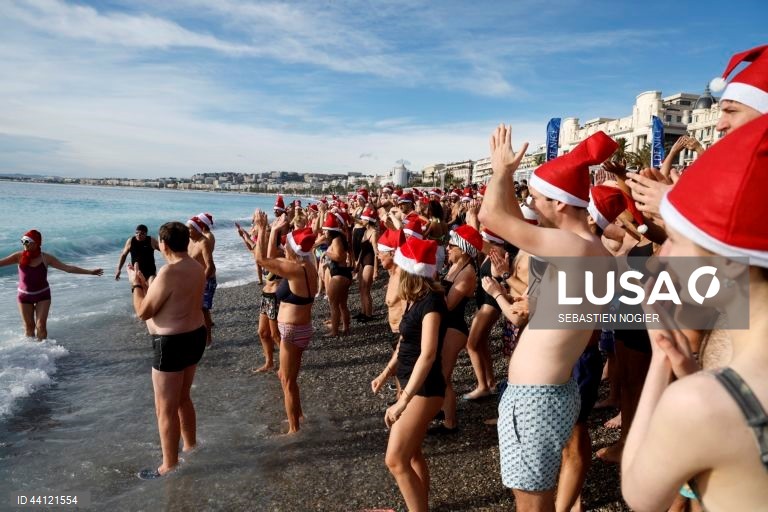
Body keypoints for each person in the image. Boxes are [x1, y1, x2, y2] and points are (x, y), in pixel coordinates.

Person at [622, 112, 768, 512]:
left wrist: (659, 359)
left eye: (674, 240)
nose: (660, 258)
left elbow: (639, 493)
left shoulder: (703, 403)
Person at [479, 125, 616, 511]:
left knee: (531, 504)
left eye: (535, 197)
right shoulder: (595, 250)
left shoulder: (571, 247)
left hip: (535, 396)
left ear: (559, 204)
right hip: (552, 391)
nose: (530, 203)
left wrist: (501, 171)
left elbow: (492, 215)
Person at [371, 236, 446, 512]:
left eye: (401, 268)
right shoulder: (416, 299)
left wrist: (402, 402)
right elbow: (405, 342)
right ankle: (420, 503)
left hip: (425, 390)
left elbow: (427, 354)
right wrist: (386, 372)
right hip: (410, 384)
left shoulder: (432, 304)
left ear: (410, 272)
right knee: (412, 454)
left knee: (395, 460)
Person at [127, 221, 206, 479]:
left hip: (171, 344)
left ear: (163, 244)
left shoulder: (168, 273)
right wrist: (148, 288)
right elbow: (175, 301)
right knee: (183, 398)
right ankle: (190, 446)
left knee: (165, 408)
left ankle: (168, 464)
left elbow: (143, 311)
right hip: (195, 336)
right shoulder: (196, 267)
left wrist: (135, 285)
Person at [253, 212, 318, 434]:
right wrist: (273, 231)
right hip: (302, 328)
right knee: (286, 376)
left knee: (287, 382)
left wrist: (263, 229)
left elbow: (262, 260)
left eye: (287, 244)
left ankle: (294, 429)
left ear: (292, 248)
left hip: (291, 331)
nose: (285, 247)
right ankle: (297, 414)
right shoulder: (308, 265)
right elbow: (272, 257)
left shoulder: (295, 270)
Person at [0, 229, 103, 340]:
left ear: (37, 243)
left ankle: (42, 351)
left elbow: (67, 268)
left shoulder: (46, 258)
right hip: (24, 296)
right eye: (23, 241)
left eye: (27, 241)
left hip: (42, 295)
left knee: (41, 326)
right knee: (29, 327)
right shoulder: (18, 257)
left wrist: (90, 272)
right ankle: (30, 353)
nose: (24, 244)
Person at [431, 224, 482, 434]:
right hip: (447, 325)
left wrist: (431, 281)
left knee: (444, 376)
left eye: (452, 245)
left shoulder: (467, 272)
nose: (448, 248)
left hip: (455, 328)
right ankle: (440, 408)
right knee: (440, 374)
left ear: (463, 249)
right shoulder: (454, 267)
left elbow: (449, 304)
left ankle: (450, 423)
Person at [317, 212, 353, 337]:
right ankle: (346, 328)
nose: (324, 233)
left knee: (333, 304)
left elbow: (339, 256)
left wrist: (326, 254)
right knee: (342, 304)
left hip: (339, 275)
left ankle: (334, 331)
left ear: (331, 231)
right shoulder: (338, 238)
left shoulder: (336, 240)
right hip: (344, 274)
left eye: (326, 230)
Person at [187, 216, 216, 346]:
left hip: (206, 279)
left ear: (198, 229)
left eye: (190, 228)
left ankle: (208, 339)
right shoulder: (189, 241)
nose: (187, 231)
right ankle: (195, 335)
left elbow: (210, 266)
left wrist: (201, 281)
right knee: (192, 309)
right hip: (192, 280)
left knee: (203, 310)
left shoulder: (204, 242)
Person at [355, 207, 379, 322]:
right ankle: (363, 311)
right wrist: (357, 263)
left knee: (366, 289)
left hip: (369, 262)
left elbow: (376, 253)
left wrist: (375, 270)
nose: (361, 221)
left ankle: (369, 314)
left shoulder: (373, 233)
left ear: (368, 220)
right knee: (361, 288)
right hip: (363, 262)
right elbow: (361, 250)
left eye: (363, 219)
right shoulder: (365, 231)